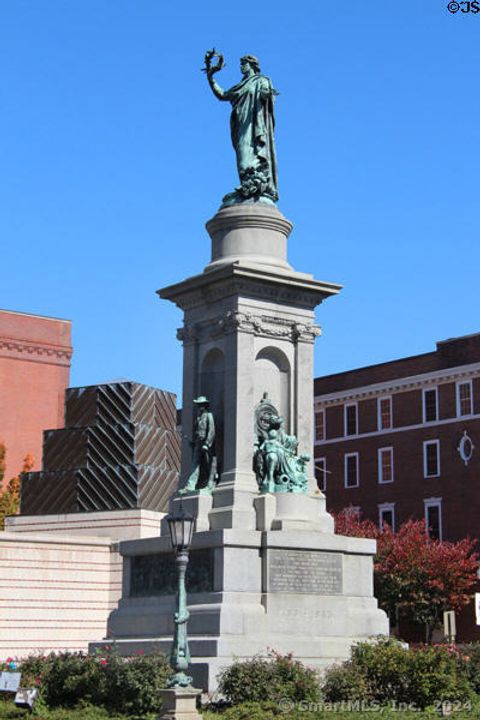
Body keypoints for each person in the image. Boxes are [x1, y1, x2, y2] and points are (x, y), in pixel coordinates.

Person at [204, 51, 278, 205]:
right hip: (241, 125)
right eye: (241, 64)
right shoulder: (240, 86)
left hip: (254, 126)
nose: (241, 67)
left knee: (249, 158)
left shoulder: (261, 81)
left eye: (243, 64)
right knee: (242, 156)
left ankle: (254, 186)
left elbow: (266, 93)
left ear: (251, 65)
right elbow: (223, 95)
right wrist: (210, 78)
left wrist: (267, 94)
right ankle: (247, 186)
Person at [179, 396, 216, 494]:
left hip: (206, 444)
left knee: (207, 464)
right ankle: (190, 486)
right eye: (198, 405)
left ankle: (211, 483)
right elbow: (197, 432)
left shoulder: (209, 416)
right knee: (195, 464)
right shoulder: (198, 418)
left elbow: (211, 431)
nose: (199, 407)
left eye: (200, 405)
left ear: (204, 405)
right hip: (198, 444)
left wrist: (207, 444)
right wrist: (194, 443)